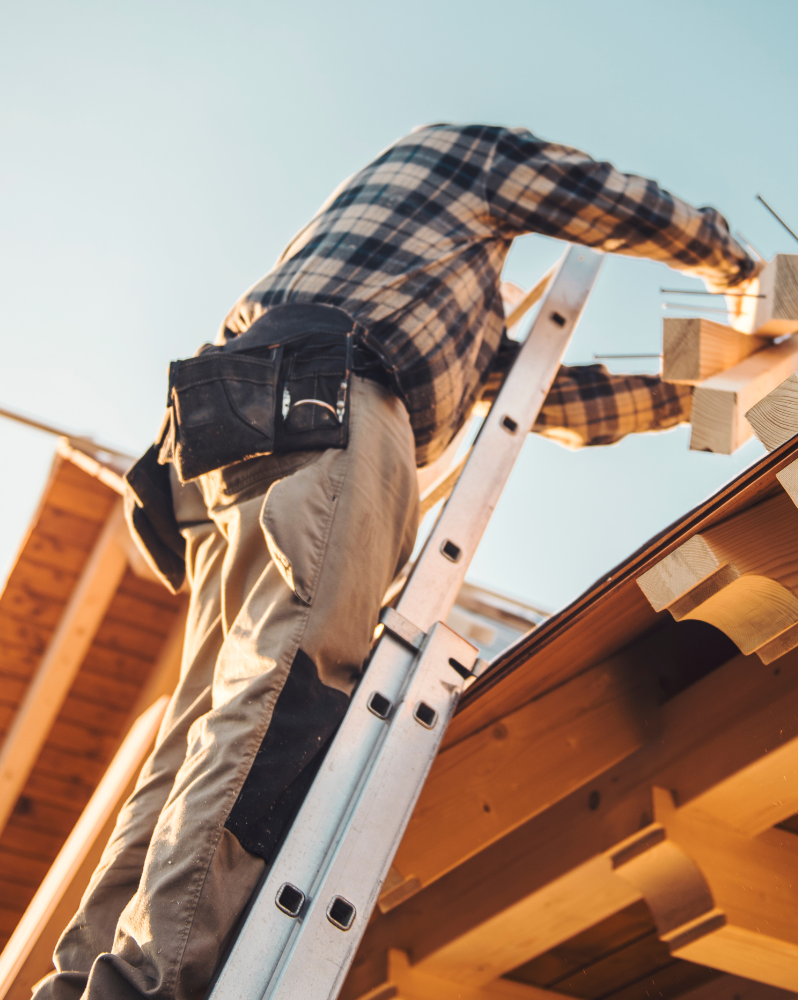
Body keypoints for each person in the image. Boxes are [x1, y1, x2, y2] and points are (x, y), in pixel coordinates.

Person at [35, 123, 759, 1000]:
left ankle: (84, 985)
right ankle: (152, 987)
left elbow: (558, 403)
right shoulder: (468, 155)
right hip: (333, 396)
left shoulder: (441, 290)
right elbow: (601, 200)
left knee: (203, 728)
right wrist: (742, 270)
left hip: (234, 422)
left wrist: (717, 401)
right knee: (284, 692)